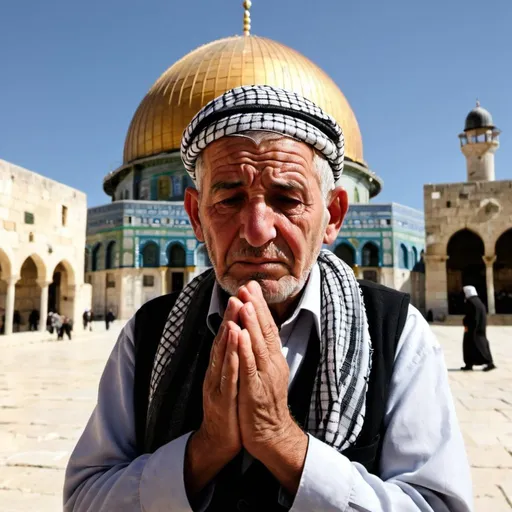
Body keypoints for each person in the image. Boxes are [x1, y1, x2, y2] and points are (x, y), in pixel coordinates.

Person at [64, 85, 472, 511]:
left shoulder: (393, 332)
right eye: (229, 198)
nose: (257, 230)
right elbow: (85, 498)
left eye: (287, 199)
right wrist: (202, 451)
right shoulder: (147, 335)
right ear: (195, 217)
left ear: (332, 215)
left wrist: (283, 442)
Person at [461, 285, 496, 372]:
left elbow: (470, 316)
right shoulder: (479, 302)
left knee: (471, 346)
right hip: (479, 329)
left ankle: (487, 363)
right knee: (481, 345)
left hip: (472, 329)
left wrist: (466, 324)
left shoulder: (470, 302)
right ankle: (470, 364)